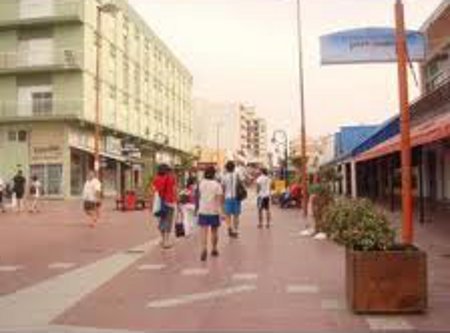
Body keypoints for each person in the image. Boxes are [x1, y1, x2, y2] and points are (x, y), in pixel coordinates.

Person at [197, 166, 224, 261]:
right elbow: (219, 200)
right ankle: (214, 248)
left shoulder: (201, 183)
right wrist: (221, 212)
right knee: (214, 231)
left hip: (203, 210)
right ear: (214, 174)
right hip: (214, 211)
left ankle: (204, 248)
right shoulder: (217, 185)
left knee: (203, 231)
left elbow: (199, 196)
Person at [152, 164, 177, 249]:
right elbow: (174, 190)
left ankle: (162, 240)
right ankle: (166, 242)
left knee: (162, 221)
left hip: (160, 203)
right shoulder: (171, 178)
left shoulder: (156, 179)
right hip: (169, 202)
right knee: (168, 221)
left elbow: (154, 190)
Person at [222, 161, 243, 238]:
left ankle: (229, 227)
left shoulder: (224, 177)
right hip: (236, 198)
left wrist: (222, 199)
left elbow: (223, 189)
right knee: (236, 215)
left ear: (227, 168)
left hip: (227, 198)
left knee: (228, 215)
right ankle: (235, 230)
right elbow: (241, 185)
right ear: (234, 168)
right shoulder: (237, 175)